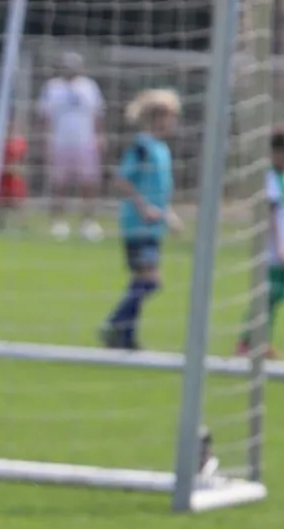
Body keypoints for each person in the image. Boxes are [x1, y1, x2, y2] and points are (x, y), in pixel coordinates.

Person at [101, 88, 183, 352]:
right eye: (171, 116)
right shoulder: (141, 148)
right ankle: (115, 323)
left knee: (141, 281)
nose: (174, 122)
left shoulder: (161, 149)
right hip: (137, 225)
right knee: (150, 281)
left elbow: (158, 190)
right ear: (157, 117)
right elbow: (122, 181)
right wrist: (144, 208)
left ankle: (126, 336)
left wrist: (169, 216)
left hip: (153, 226)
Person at [241, 124, 284, 359]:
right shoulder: (270, 178)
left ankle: (262, 341)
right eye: (280, 152)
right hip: (272, 249)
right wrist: (280, 245)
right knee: (266, 296)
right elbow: (271, 212)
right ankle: (247, 343)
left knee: (277, 296)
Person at [37, 52, 106, 242]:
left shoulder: (89, 86)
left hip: (85, 142)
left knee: (89, 183)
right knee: (59, 183)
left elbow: (98, 114)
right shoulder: (52, 87)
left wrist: (100, 136)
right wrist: (44, 140)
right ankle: (58, 222)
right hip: (59, 142)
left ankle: (88, 222)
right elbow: (45, 116)